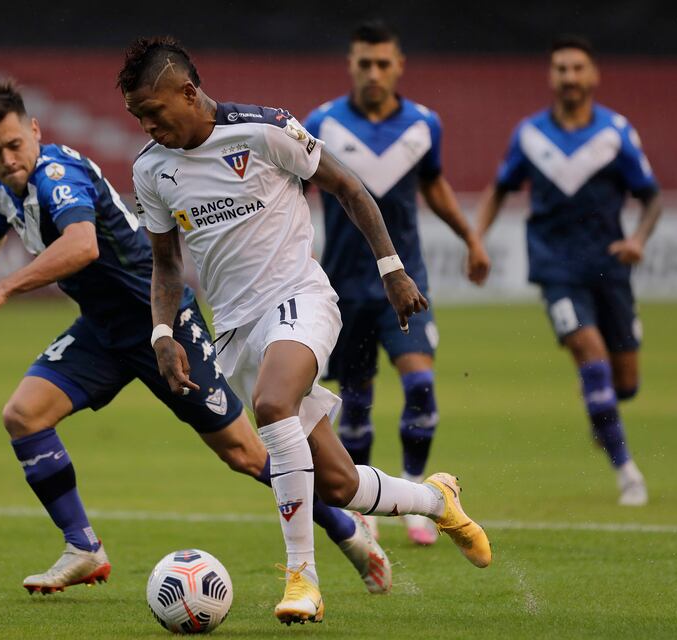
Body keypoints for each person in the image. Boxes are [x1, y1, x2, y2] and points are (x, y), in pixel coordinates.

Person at [0, 80, 393, 597]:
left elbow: (81, 247)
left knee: (243, 452)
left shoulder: (59, 177)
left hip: (160, 326)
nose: (9, 159)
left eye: (15, 145)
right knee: (23, 416)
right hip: (102, 332)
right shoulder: (7, 193)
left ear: (34, 131)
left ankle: (346, 527)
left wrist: (4, 289)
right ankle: (83, 548)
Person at [122, 36, 491, 626]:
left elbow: (348, 187)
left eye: (152, 110)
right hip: (237, 334)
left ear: (188, 92)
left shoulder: (264, 131)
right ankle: (436, 500)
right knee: (339, 484)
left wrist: (391, 269)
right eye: (136, 115)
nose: (146, 124)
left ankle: (303, 580)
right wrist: (162, 334)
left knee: (272, 405)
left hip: (301, 299)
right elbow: (166, 263)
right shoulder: (151, 170)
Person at [304, 20, 491, 546]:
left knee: (420, 387)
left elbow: (434, 185)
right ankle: (363, 506)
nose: (374, 73)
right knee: (356, 403)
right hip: (342, 288)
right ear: (351, 65)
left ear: (399, 66)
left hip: (404, 285)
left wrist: (471, 238)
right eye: (364, 63)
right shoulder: (323, 122)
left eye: (383, 63)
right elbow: (297, 190)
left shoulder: (424, 124)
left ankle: (417, 498)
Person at [476, 35, 662, 506]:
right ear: (551, 76)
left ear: (593, 75)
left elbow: (651, 196)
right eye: (561, 69)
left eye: (578, 68)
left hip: (610, 267)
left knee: (625, 383)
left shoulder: (615, 133)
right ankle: (628, 474)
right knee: (589, 352)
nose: (570, 77)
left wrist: (637, 239)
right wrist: (476, 238)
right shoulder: (530, 136)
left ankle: (604, 415)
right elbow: (500, 189)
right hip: (555, 269)